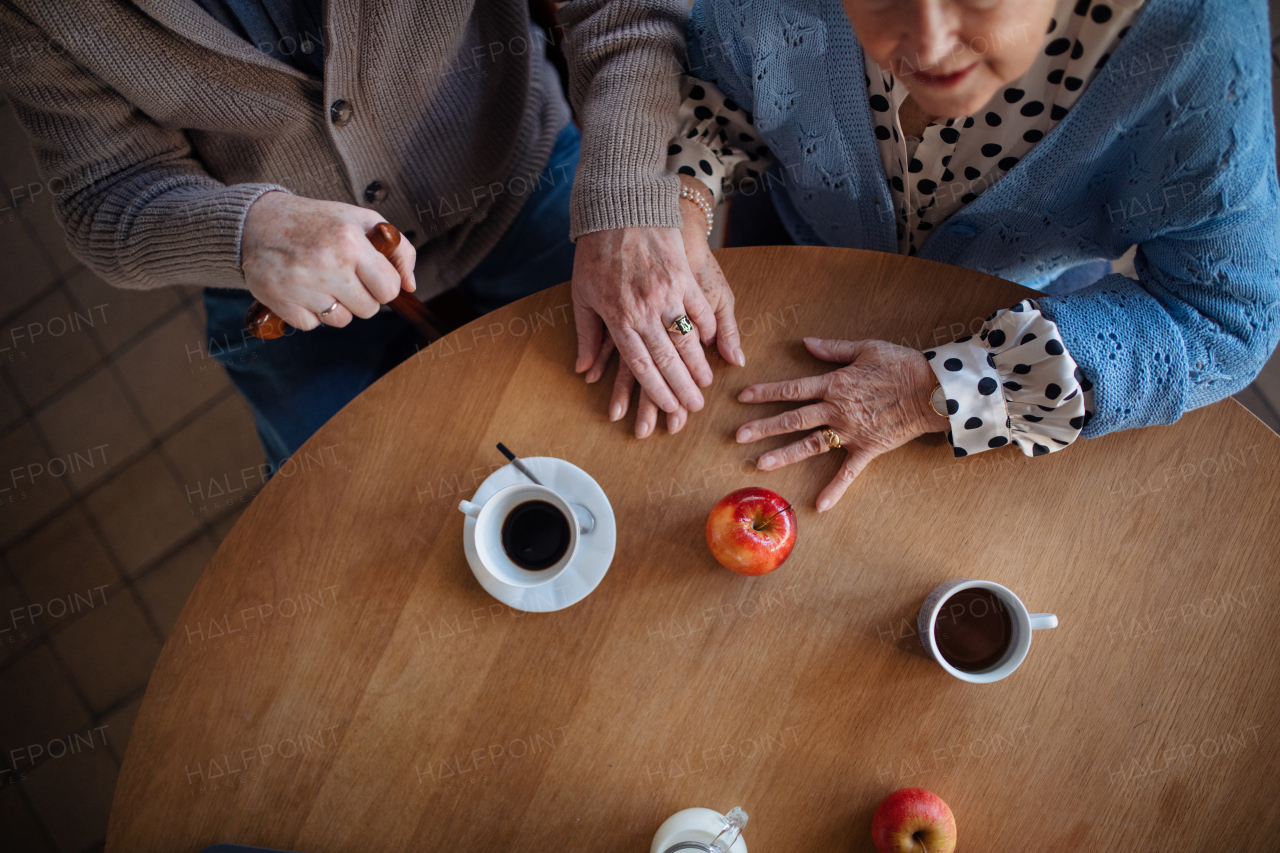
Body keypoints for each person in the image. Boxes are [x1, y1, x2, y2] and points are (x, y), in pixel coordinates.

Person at [564, 0, 1280, 511]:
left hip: (1032, 337)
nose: (929, 47)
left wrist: (943, 391)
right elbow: (724, 79)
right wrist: (684, 195)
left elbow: (1226, 315)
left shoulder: (1199, 43)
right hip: (784, 271)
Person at [0, 0, 632, 469]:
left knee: (643, 412)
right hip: (266, 281)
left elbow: (622, 10)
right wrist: (251, 230)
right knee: (335, 536)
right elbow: (101, 190)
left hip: (518, 171)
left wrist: (629, 194)